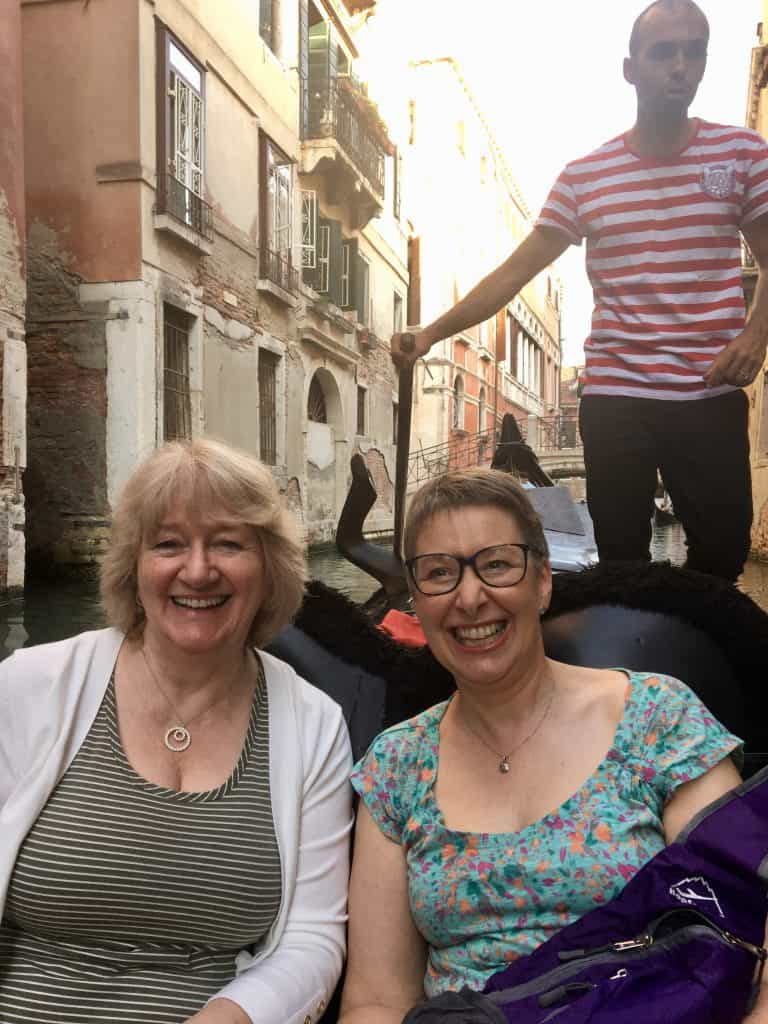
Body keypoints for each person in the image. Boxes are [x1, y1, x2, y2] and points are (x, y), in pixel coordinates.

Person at [338, 467, 768, 1022]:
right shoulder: (396, 765)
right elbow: (377, 1000)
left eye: (496, 564)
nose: (470, 597)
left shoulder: (656, 717)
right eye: (439, 573)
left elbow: (746, 914)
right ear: (417, 602)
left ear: (542, 581)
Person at [393, 0, 768, 582]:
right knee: (619, 558)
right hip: (617, 394)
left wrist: (756, 334)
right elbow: (513, 274)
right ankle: (633, 663)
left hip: (708, 392)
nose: (680, 66)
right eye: (663, 52)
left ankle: (697, 660)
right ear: (631, 68)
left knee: (723, 549)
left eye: (693, 52)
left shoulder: (742, 155)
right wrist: (429, 333)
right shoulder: (585, 176)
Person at [0, 439, 353, 1024]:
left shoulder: (313, 723)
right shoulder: (30, 684)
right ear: (133, 567)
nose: (196, 569)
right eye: (168, 544)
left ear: (268, 568)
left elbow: (312, 938)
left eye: (227, 543)